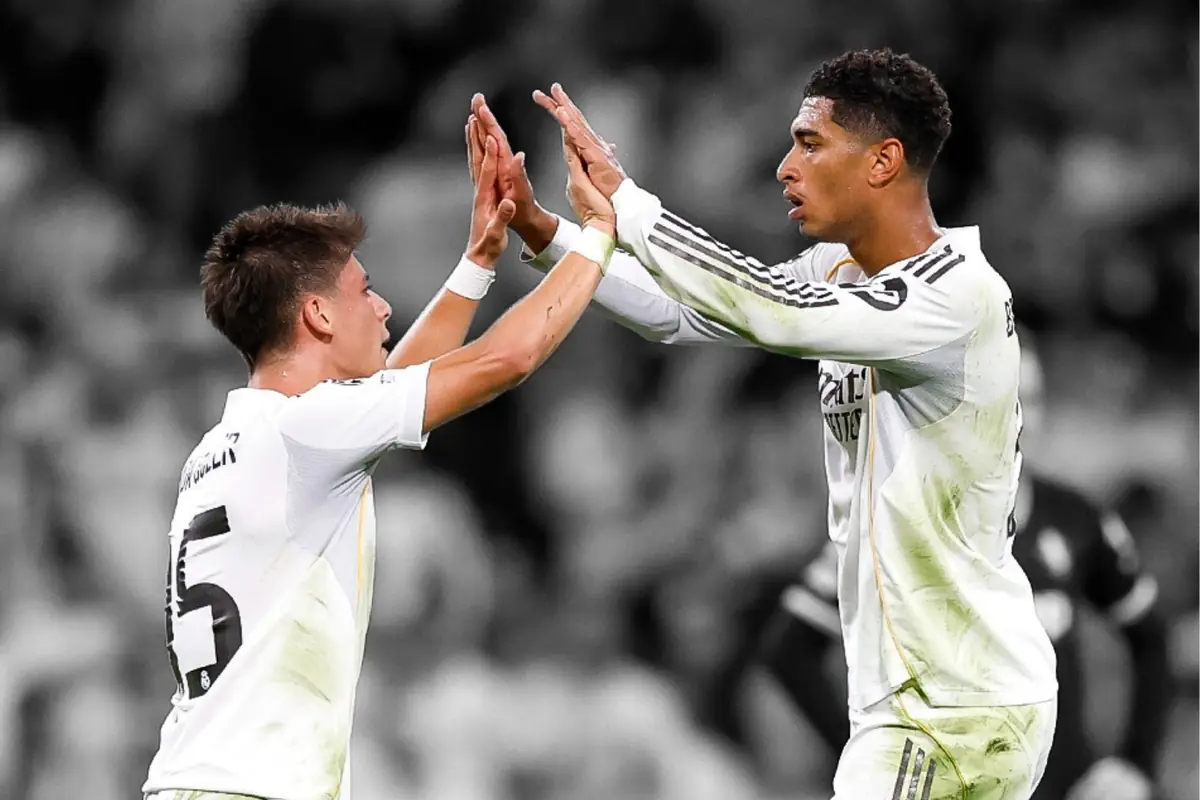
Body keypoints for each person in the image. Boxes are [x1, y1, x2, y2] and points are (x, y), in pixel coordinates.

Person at [470, 48, 1059, 798]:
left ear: (884, 161)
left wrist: (631, 202)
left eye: (811, 143)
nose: (785, 166)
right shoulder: (841, 271)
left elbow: (775, 313)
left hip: (951, 703)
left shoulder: (954, 294)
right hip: (933, 696)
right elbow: (686, 317)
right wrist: (545, 229)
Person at [142, 115, 619, 800]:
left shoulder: (233, 444)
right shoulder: (306, 433)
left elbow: (391, 389)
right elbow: (508, 357)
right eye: (365, 291)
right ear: (319, 316)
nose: (385, 305)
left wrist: (478, 261)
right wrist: (598, 236)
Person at [759, 338, 1171, 800]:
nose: (1018, 417)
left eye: (1030, 399)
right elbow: (789, 648)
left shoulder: (1075, 518)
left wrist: (1136, 764)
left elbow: (1151, 636)